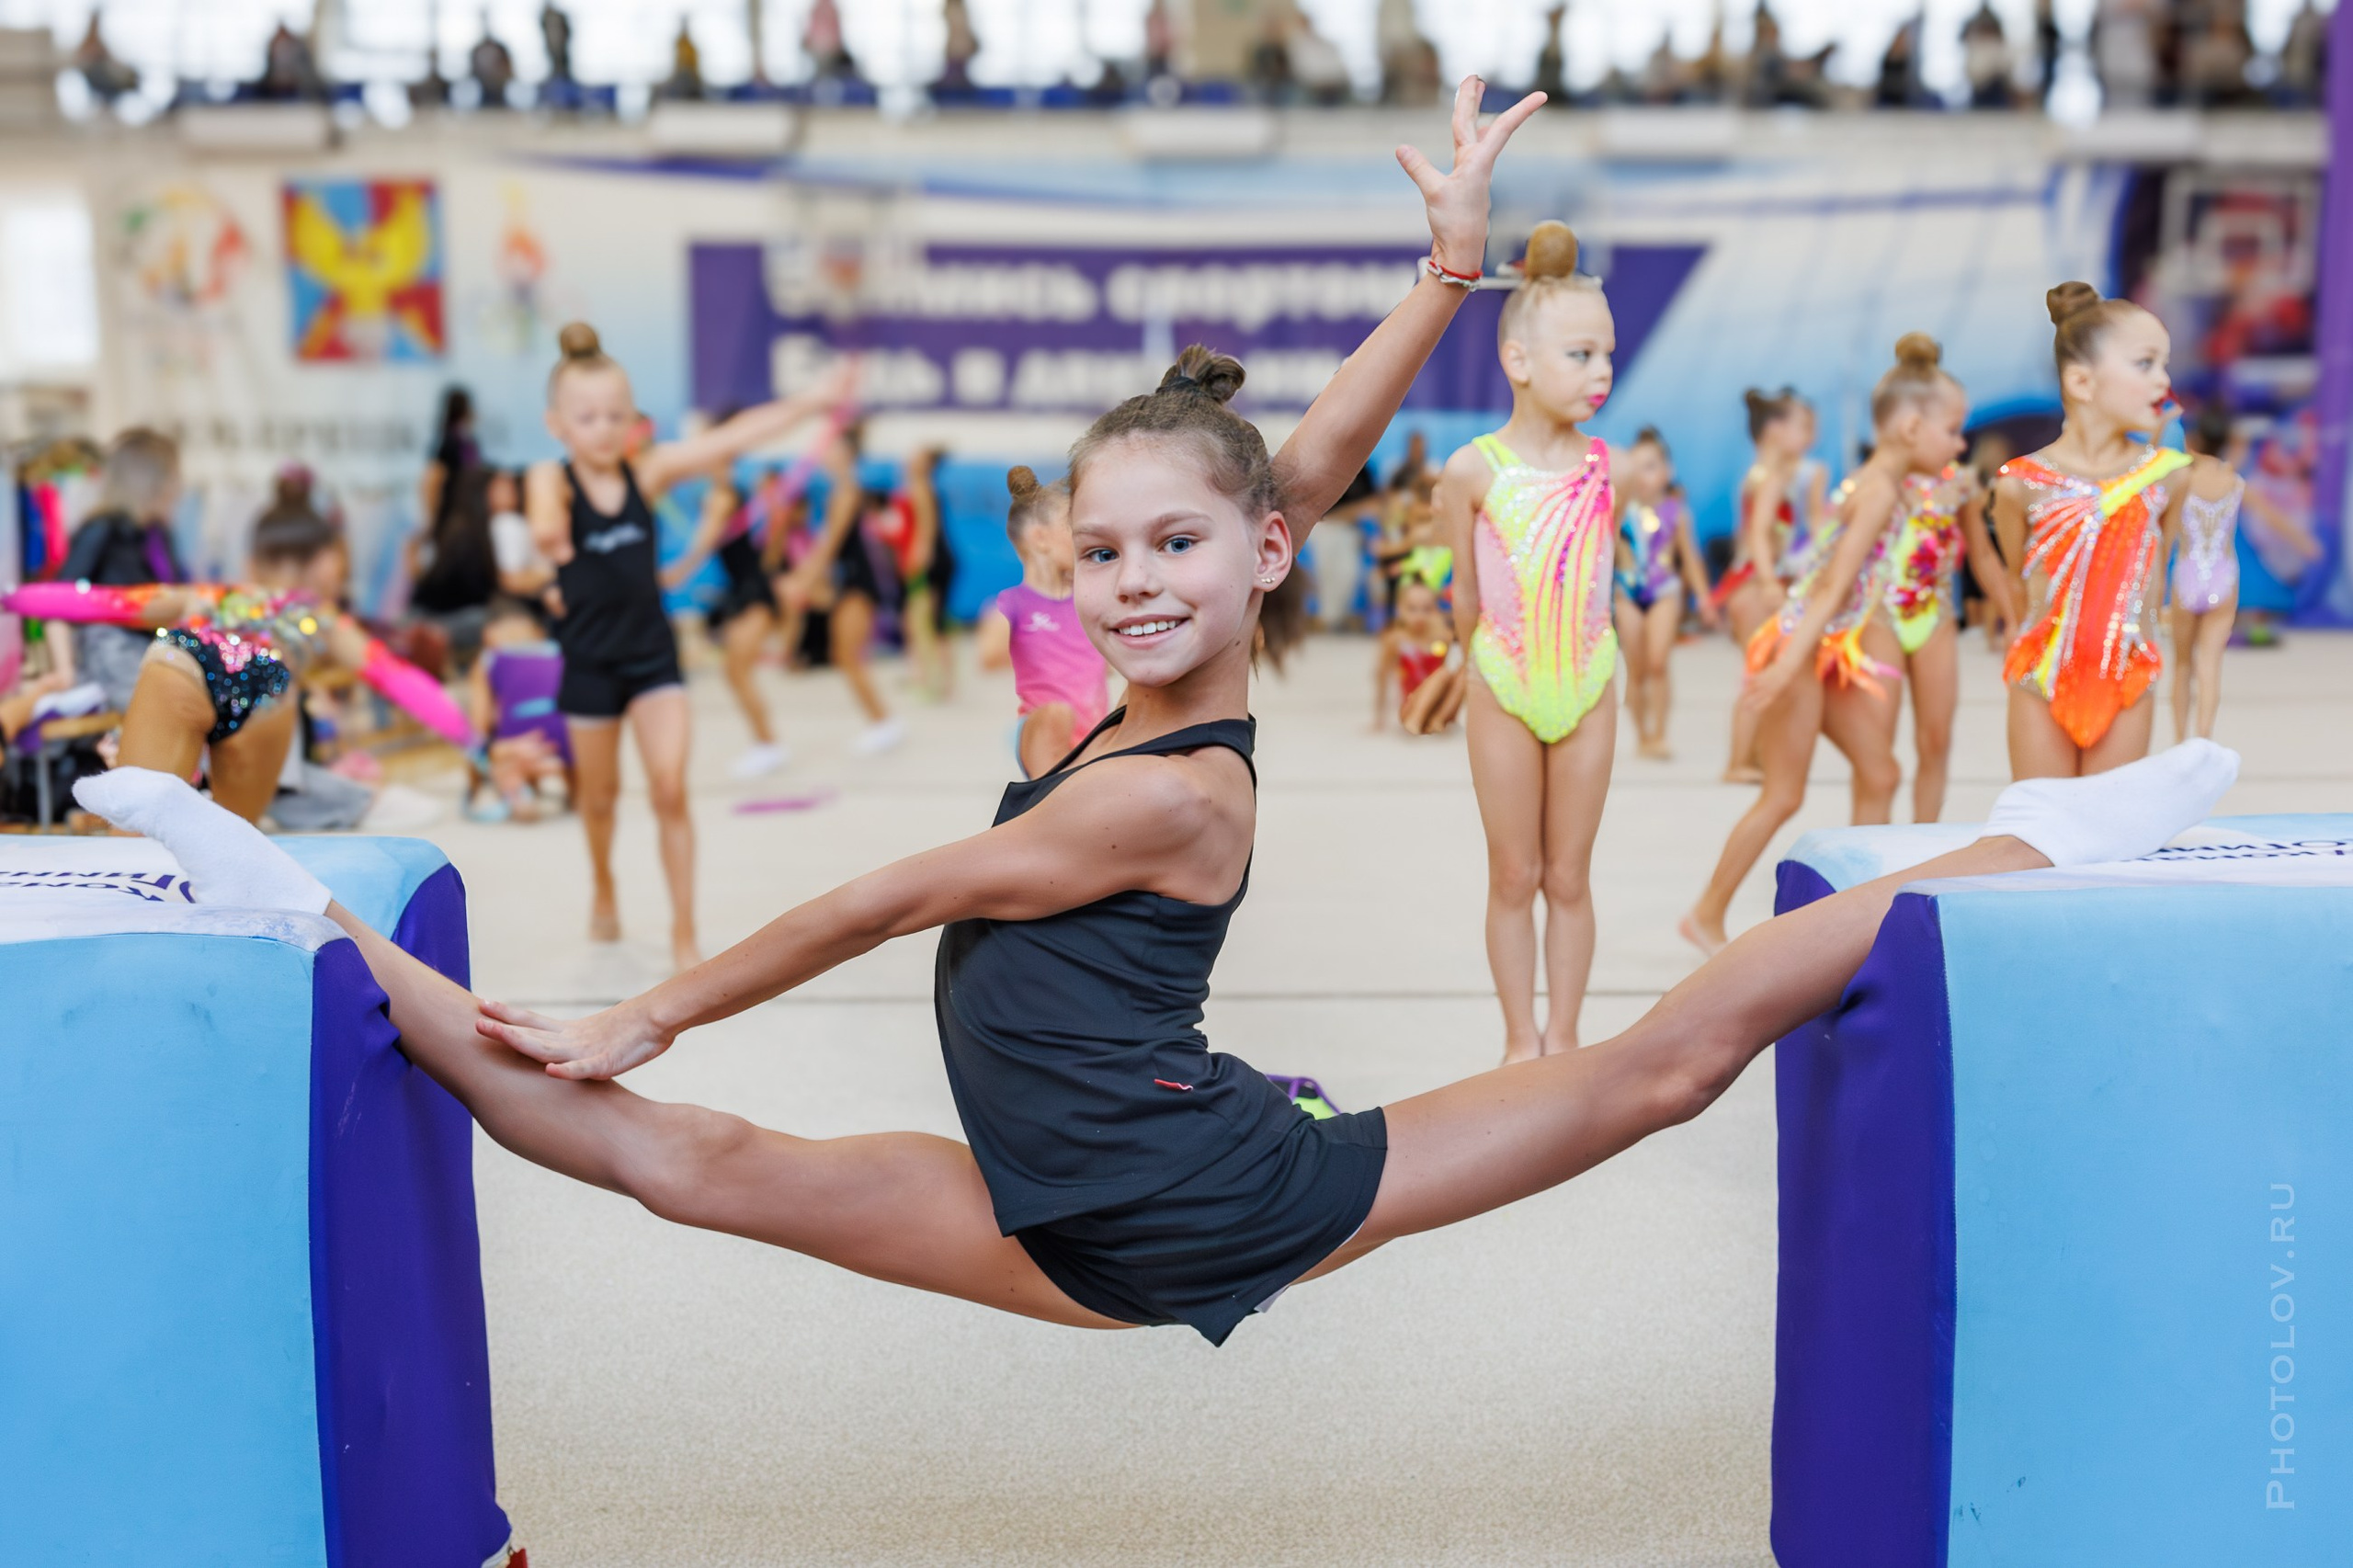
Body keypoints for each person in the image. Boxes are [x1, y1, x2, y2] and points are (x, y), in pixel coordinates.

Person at [78, 84, 2243, 1355]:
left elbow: (912, 876)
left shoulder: (1172, 796)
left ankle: (2070, 833)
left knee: (1666, 1058)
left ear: (1265, 564)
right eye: (1097, 548)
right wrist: (1438, 282)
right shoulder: (1166, 641)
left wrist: (658, 993)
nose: (1126, 577)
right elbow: (1270, 467)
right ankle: (281, 900)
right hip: (1060, 1200)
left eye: (1171, 551)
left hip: (1217, 1189)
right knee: (681, 1170)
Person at [527, 323, 847, 971]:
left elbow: (732, 437)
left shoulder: (650, 473)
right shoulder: (551, 479)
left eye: (616, 413)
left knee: (670, 789)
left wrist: (813, 403)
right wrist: (550, 532)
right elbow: (541, 520)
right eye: (586, 417)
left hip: (652, 659)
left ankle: (682, 930)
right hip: (589, 661)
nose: (604, 427)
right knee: (599, 799)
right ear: (557, 422)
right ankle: (604, 883)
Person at [1681, 335, 1969, 953]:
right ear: (1913, 426)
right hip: (1799, 645)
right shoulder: (1882, 489)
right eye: (1953, 431)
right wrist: (1787, 665)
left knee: (1882, 769)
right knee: (1784, 792)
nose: (1961, 445)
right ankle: (1707, 912)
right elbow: (1833, 586)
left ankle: (1859, 915)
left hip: (1814, 648)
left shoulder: (1871, 479)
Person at [1432, 220, 1619, 1062]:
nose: (1602, 372)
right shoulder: (1472, 471)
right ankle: (1520, 1040)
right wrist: (1453, 665)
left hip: (1588, 682)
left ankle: (1567, 1038)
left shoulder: (1605, 467)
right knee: (1514, 875)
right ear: (1519, 361)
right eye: (1581, 355)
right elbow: (1464, 598)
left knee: (1569, 877)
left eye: (1607, 354)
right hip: (1501, 682)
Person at [11, 500, 473, 824]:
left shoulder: (215, 596)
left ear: (255, 560)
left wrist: (13, 598)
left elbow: (104, 602)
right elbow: (396, 678)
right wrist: (476, 744)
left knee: (151, 835)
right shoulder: (318, 616)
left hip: (188, 671)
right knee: (235, 840)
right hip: (262, 693)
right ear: (326, 560)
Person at [1989, 284, 2192, 779]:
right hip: (2041, 676)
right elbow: (2021, 576)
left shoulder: (2169, 476)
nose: (2163, 383)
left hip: (2125, 677)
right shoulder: (2020, 484)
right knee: (2042, 829)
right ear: (2081, 381)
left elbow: (2155, 567)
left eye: (2165, 365)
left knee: (2108, 839)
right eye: (2145, 364)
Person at [1880, 460, 2012, 822]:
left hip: (1934, 617)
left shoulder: (1961, 482)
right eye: (1950, 430)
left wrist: (2012, 617)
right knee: (1876, 758)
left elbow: (1983, 554)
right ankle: (1870, 845)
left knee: (1935, 740)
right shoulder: (1880, 477)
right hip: (1880, 620)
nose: (1958, 444)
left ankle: (1922, 832)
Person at [973, 467, 1109, 779]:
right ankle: (1051, 797)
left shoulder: (1087, 601)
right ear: (1040, 539)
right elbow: (989, 655)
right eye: (1073, 529)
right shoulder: (1011, 605)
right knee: (1057, 715)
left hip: (1092, 730)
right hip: (1041, 726)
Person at [1716, 387, 1821, 783]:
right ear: (1775, 430)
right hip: (1757, 584)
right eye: (1803, 427)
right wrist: (1767, 580)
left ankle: (1753, 756)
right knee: (1757, 674)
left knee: (1761, 672)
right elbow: (1759, 534)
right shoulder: (1772, 477)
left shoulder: (1760, 473)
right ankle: (1738, 761)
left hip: (1752, 580)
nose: (1810, 437)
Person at [781, 428, 905, 755]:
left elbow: (828, 545)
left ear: (847, 453)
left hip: (858, 583)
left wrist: (802, 581)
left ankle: (883, 723)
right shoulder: (838, 492)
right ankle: (881, 721)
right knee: (844, 654)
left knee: (849, 655)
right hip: (848, 581)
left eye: (829, 449)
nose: (823, 455)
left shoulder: (848, 492)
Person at [54, 428, 188, 711]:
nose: (179, 486)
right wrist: (65, 673)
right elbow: (56, 603)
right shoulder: (102, 530)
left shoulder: (157, 535)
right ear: (153, 481)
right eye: (173, 476)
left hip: (152, 654)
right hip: (112, 659)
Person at [1611, 428, 1711, 761]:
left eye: (1651, 466)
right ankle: (1642, 735)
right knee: (1636, 668)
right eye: (1635, 466)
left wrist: (1705, 598)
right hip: (1627, 592)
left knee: (1658, 663)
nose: (1643, 475)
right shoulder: (1617, 511)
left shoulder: (1676, 512)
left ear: (1667, 471)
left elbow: (1692, 558)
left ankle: (1660, 734)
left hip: (1664, 589)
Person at [2167, 403, 2246, 742]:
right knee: (2210, 665)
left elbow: (2168, 535)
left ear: (2195, 439)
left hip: (2187, 575)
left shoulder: (2183, 480)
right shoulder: (2235, 481)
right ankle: (2204, 738)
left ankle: (2181, 740)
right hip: (2223, 576)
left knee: (2183, 665)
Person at [465, 597, 571, 823]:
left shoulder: (488, 659)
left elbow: (478, 727)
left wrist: (475, 777)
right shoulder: (559, 652)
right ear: (537, 631)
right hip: (566, 740)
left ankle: (519, 792)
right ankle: (575, 790)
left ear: (488, 634)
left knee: (489, 749)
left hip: (519, 742)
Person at [1373, 576, 1459, 733]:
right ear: (1400, 609)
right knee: (1443, 674)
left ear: (1435, 611)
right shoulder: (1396, 640)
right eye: (1412, 609)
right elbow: (1381, 676)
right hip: (1410, 708)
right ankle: (1417, 719)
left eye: (1427, 609)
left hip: (1440, 709)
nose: (1419, 615)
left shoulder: (1442, 636)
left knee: (1463, 670)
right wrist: (1379, 719)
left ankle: (1438, 719)